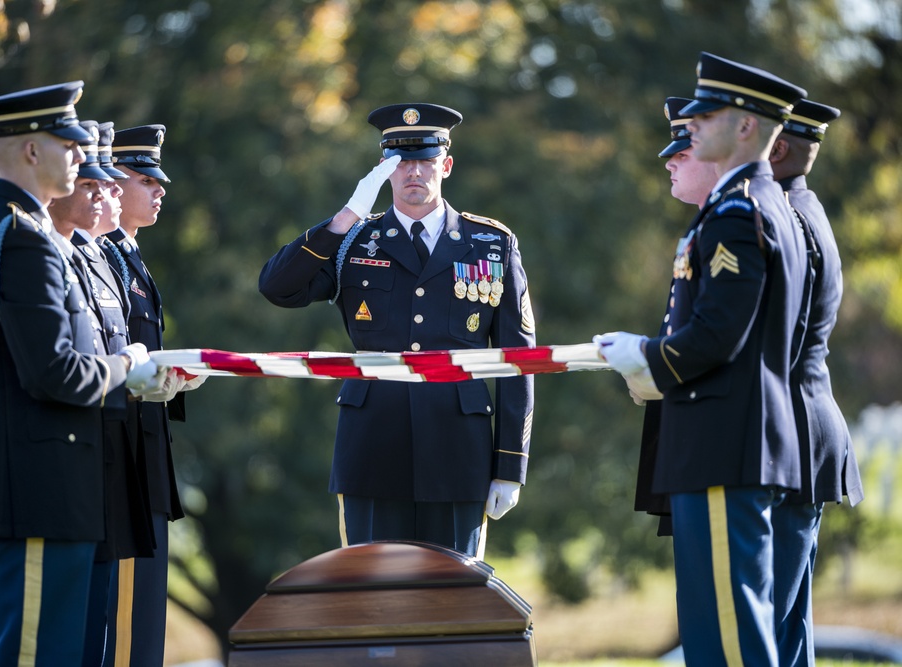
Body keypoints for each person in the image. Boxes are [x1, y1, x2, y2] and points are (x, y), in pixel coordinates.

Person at [0, 82, 164, 667]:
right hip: (35, 486)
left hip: (47, 487)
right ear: (32, 152)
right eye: (68, 145)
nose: (80, 157)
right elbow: (56, 372)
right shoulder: (21, 237)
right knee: (35, 656)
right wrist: (128, 367)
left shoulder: (20, 229)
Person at [595, 53, 809, 665]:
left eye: (707, 114)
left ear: (746, 127)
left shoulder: (739, 211)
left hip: (723, 444)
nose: (691, 124)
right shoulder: (756, 203)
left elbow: (718, 335)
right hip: (730, 442)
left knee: (728, 637)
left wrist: (644, 358)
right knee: (729, 627)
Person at [259, 103, 536, 559]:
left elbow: (517, 361)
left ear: (445, 165)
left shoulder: (491, 244)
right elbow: (277, 288)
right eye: (401, 161)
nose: (414, 172)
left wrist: (510, 465)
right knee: (371, 600)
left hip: (457, 452)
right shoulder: (352, 238)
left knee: (453, 602)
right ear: (384, 170)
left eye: (425, 160)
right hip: (372, 447)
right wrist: (345, 216)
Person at [48, 120, 164, 665]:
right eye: (108, 183)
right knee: (84, 639)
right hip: (86, 459)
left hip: (125, 451)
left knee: (118, 638)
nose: (110, 195)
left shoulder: (106, 255)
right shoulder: (72, 252)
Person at [769, 99, 864, 667]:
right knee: (789, 625)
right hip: (808, 431)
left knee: (771, 621)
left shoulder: (781, 218)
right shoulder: (808, 209)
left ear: (776, 147)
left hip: (789, 437)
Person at [102, 123, 191, 667]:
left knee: (144, 633)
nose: (159, 190)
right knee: (127, 634)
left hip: (147, 452)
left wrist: (175, 379)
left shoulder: (129, 256)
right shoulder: (106, 256)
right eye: (144, 179)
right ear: (113, 184)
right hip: (125, 458)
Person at [632, 97, 719, 537]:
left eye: (682, 155)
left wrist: (648, 360)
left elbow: (718, 335)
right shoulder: (704, 224)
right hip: (690, 436)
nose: (669, 165)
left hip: (714, 442)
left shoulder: (731, 222)